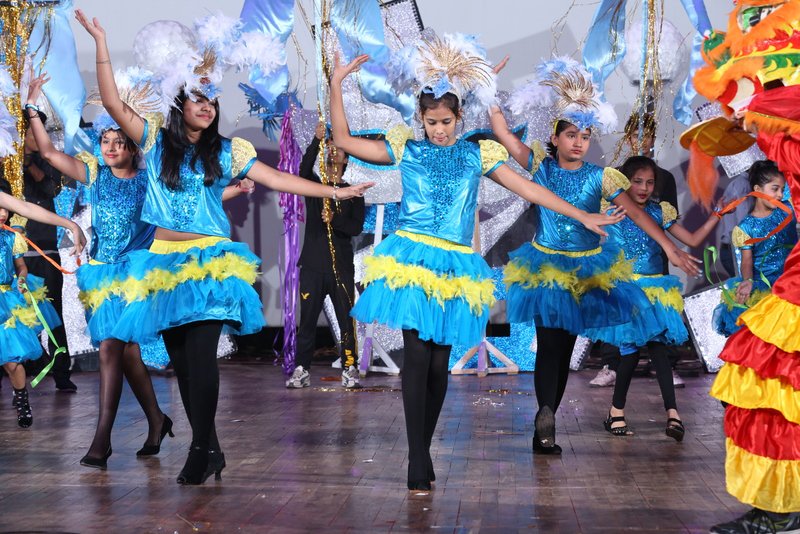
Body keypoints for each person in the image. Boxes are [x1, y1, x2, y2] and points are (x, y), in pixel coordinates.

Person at [76, 10, 372, 485]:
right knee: (182, 366)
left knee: (201, 360)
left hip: (210, 266)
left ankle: (199, 450)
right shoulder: (153, 141)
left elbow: (279, 180)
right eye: (199, 98)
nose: (208, 106)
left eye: (213, 100)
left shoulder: (228, 150)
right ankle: (210, 447)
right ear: (180, 102)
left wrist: (334, 192)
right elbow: (111, 100)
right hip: (162, 266)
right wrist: (101, 42)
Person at [330, 41, 622, 491]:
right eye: (432, 123)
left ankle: (424, 446)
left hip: (455, 267)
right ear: (421, 119)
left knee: (438, 365)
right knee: (417, 358)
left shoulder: (476, 154)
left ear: (460, 117)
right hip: (412, 261)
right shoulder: (408, 148)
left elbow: (530, 190)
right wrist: (336, 84)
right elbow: (344, 141)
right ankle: (416, 456)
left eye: (446, 122)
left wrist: (581, 215)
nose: (439, 130)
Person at [23, 73, 240, 468]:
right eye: (106, 141)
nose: (110, 147)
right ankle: (157, 419)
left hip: (137, 277)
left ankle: (101, 440)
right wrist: (33, 111)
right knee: (126, 355)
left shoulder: (147, 181)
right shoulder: (94, 175)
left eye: (119, 142)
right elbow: (50, 154)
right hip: (102, 276)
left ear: (133, 148)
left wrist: (231, 191)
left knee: (111, 348)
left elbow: (189, 198)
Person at [492, 57, 700, 456]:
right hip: (547, 269)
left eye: (585, 136)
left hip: (585, 272)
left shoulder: (600, 176)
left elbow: (638, 213)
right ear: (555, 138)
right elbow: (502, 133)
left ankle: (546, 420)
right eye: (571, 134)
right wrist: (490, 93)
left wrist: (670, 245)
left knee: (559, 349)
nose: (578, 142)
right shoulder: (539, 166)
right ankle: (545, 418)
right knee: (552, 347)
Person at [602, 156, 723, 440]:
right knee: (629, 353)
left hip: (657, 290)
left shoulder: (659, 212)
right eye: (637, 182)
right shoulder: (613, 211)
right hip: (628, 290)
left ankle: (673, 414)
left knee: (659, 351)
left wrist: (717, 215)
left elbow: (691, 240)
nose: (644, 188)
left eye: (650, 182)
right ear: (625, 183)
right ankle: (616, 411)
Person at [590, 113, 685, 389]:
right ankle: (611, 364)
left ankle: (665, 364)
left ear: (654, 139)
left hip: (654, 256)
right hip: (620, 257)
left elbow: (669, 220)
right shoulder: (613, 176)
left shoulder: (665, 177)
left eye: (647, 135)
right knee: (617, 311)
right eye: (636, 135)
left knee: (659, 311)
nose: (642, 140)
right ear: (627, 137)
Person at [0, 178, 85, 428]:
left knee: (12, 359)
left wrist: (70, 224)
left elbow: (27, 209)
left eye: (5, 207)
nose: (4, 212)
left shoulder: (10, 237)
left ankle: (21, 398)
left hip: (4, 298)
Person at [287, 122, 365, 389]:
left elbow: (355, 228)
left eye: (338, 149)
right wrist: (315, 140)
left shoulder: (352, 193)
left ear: (346, 158)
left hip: (341, 268)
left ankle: (350, 367)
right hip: (312, 266)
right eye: (329, 148)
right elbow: (301, 172)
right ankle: (301, 369)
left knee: (346, 320)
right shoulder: (315, 188)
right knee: (307, 321)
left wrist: (334, 219)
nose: (333, 152)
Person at [21, 109, 75, 391]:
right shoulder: (7, 164)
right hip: (17, 251)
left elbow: (52, 189)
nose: (39, 135)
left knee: (54, 313)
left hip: (45, 249)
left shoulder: (50, 158)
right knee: (18, 314)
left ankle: (62, 373)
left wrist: (30, 163)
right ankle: (34, 363)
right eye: (33, 130)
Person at [712, 160, 796, 337]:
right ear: (757, 189)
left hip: (792, 280)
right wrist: (748, 280)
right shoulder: (746, 227)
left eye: (782, 189)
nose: (780, 194)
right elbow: (747, 261)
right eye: (775, 189)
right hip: (766, 286)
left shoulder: (788, 209)